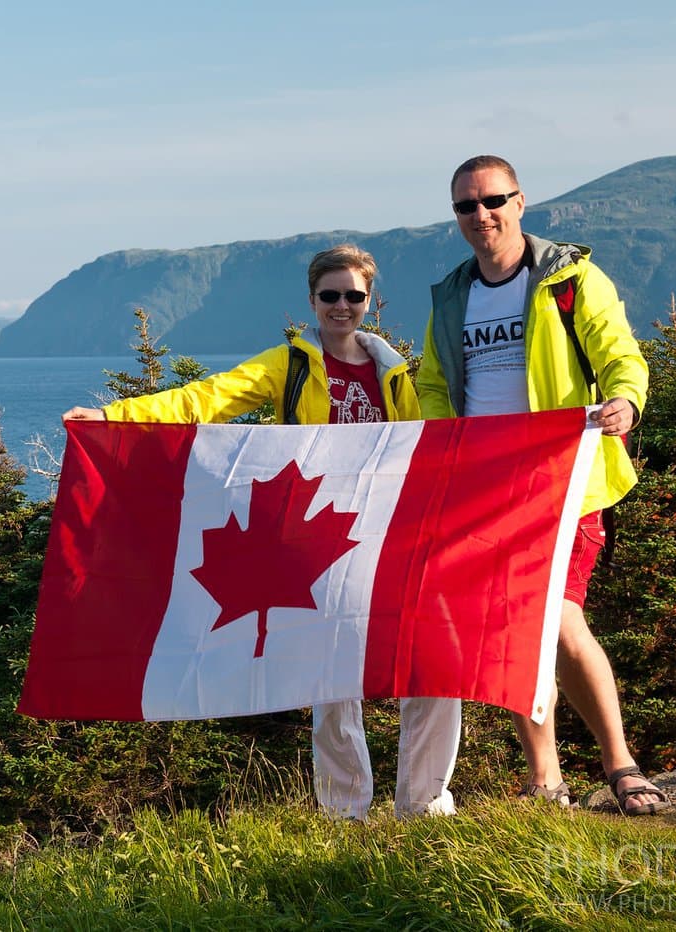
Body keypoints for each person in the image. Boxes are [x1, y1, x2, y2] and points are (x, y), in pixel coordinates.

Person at [64, 244, 461, 821]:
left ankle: (424, 809)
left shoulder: (398, 373)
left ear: (371, 302)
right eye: (331, 295)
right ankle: (346, 814)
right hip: (315, 540)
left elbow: (444, 436)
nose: (343, 306)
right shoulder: (289, 364)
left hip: (389, 531)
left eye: (355, 295)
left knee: (430, 662)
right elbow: (211, 396)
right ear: (311, 301)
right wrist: (114, 417)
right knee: (331, 682)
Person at [416, 155, 669, 815]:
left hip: (567, 481)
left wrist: (626, 400)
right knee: (514, 628)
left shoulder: (570, 279)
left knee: (556, 621)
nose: (481, 216)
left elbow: (619, 353)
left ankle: (619, 762)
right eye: (466, 207)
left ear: (520, 201)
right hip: (486, 491)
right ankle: (545, 779)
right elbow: (438, 387)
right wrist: (446, 461)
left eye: (492, 200)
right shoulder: (451, 295)